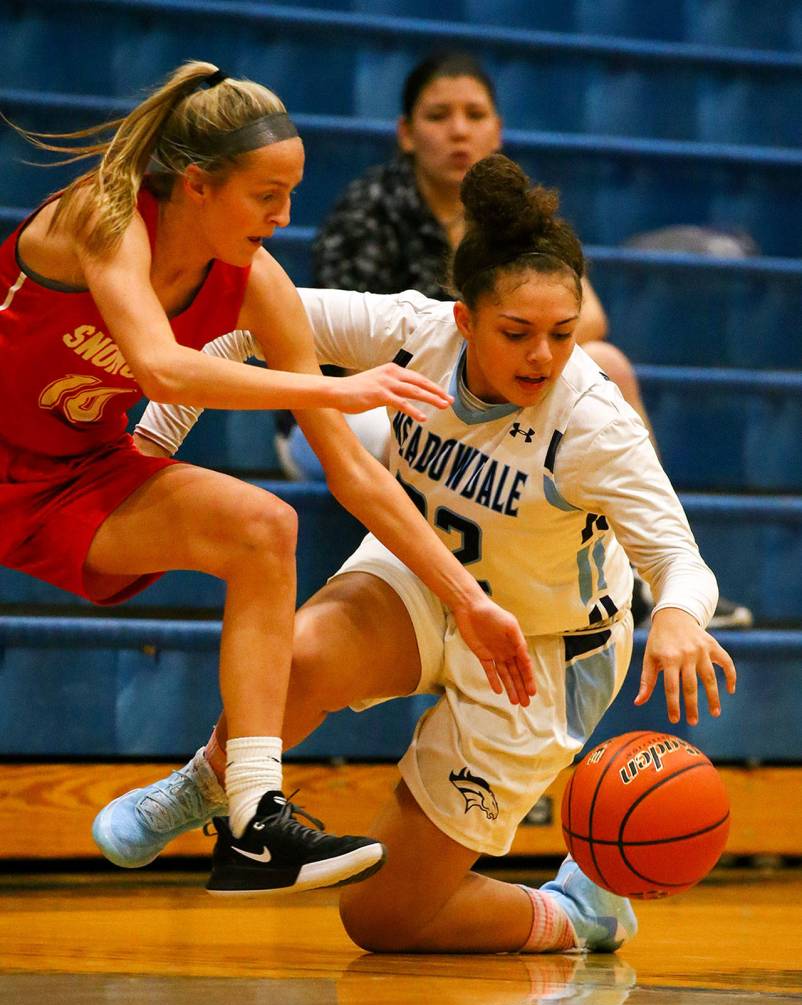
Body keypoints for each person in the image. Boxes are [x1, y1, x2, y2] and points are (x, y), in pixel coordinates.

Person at [94, 154, 736, 953]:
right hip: (424, 581)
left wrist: (676, 616)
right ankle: (202, 787)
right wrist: (156, 436)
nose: (542, 356)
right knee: (298, 655)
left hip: (541, 650)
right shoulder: (414, 330)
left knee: (382, 920)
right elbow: (243, 313)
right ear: (463, 320)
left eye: (562, 336)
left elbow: (680, 557)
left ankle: (577, 915)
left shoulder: (594, 426)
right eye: (517, 333)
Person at [0, 63, 536, 895]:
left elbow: (356, 476)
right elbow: (162, 368)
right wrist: (330, 384)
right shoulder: (101, 217)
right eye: (266, 195)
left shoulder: (258, 287)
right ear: (199, 186)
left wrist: (468, 601)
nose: (285, 218)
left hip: (76, 469)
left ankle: (252, 818)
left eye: (293, 193)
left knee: (265, 528)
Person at [307, 50, 752, 631]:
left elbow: (589, 314)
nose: (459, 129)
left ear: (498, 128)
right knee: (429, 408)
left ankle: (648, 586)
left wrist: (512, 334)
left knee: (607, 365)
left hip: (474, 392)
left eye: (475, 113)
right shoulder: (369, 213)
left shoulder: (522, 222)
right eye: (439, 115)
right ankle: (447, 583)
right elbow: (341, 345)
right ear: (407, 134)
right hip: (356, 395)